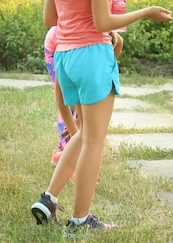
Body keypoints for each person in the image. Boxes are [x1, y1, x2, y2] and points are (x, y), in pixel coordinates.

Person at [31, 0, 173, 233]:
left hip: (65, 58)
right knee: (94, 140)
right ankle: (80, 221)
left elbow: (50, 18)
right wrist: (147, 12)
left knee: (82, 135)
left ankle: (49, 199)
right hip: (92, 57)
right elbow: (102, 23)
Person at [46, 26, 123, 166]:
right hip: (62, 44)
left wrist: (80, 127)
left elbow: (118, 43)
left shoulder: (110, 41)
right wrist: (74, 131)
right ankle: (66, 152)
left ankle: (67, 153)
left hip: (86, 50)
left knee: (85, 110)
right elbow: (62, 95)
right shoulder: (71, 48)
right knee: (72, 102)